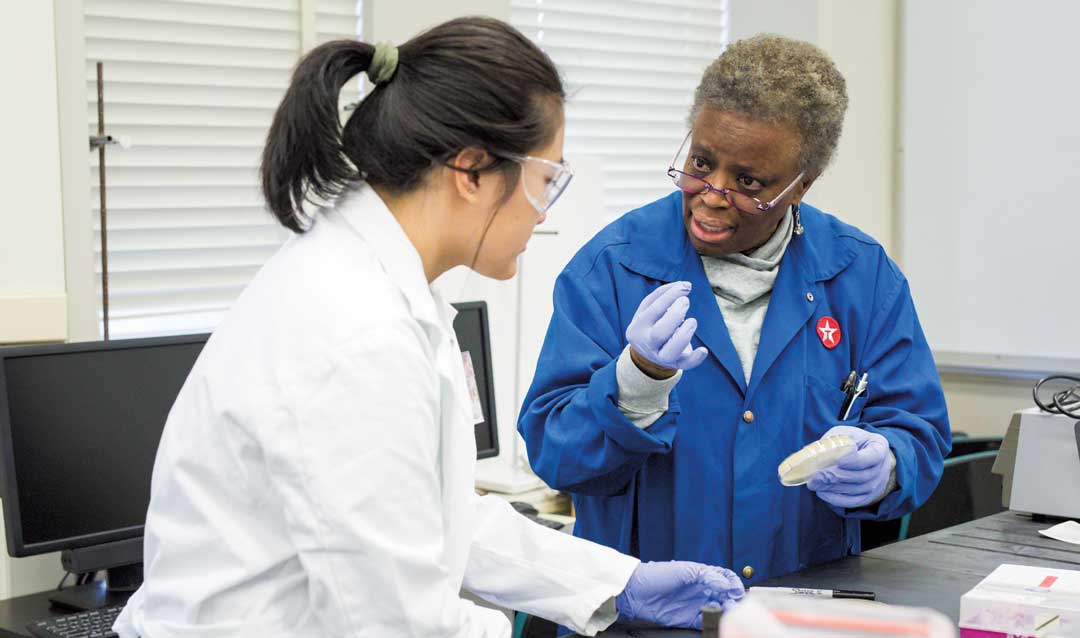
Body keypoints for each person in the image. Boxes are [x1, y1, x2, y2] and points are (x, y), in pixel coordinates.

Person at [112, 17, 746, 638]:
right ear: (471, 171)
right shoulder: (358, 332)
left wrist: (618, 582)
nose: (543, 211)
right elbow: (398, 621)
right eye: (546, 179)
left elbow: (440, 523)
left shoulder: (382, 287)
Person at [518, 34, 952, 587]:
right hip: (646, 617)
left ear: (802, 186)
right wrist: (633, 386)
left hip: (799, 607)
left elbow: (917, 431)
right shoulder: (612, 269)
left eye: (748, 181)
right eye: (701, 162)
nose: (713, 194)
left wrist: (889, 465)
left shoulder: (861, 277)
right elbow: (555, 455)